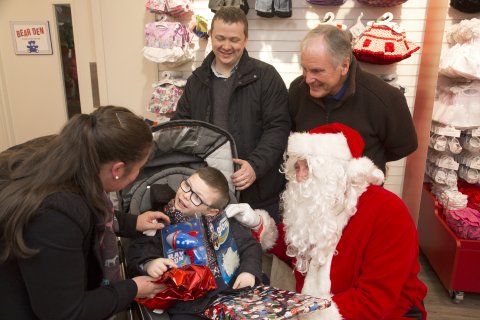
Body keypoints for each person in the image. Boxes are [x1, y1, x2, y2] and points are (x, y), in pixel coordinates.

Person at [226, 123, 428, 319]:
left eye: (308, 167)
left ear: (336, 170)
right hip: (318, 307)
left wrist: (311, 315)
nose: (299, 176)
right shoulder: (321, 205)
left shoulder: (388, 211)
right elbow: (296, 253)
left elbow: (374, 300)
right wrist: (258, 224)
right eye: (297, 167)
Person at [0, 106, 172, 320]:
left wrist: (133, 222)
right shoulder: (55, 216)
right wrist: (133, 288)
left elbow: (98, 215)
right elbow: (65, 313)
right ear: (117, 170)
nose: (138, 174)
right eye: (140, 167)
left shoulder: (73, 156)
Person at [172, 6, 291, 223]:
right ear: (211, 36)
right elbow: (180, 128)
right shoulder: (196, 80)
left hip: (259, 193)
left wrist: (255, 166)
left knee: (257, 252)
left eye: (234, 40)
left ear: (246, 40)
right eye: (220, 38)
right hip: (206, 196)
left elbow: (279, 127)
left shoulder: (266, 77)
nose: (226, 46)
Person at [127, 166, 263, 319]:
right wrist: (148, 264)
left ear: (212, 211)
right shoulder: (158, 222)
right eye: (187, 186)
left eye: (197, 198)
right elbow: (137, 252)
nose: (186, 195)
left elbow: (250, 247)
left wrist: (249, 272)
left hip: (231, 293)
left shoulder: (224, 222)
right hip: (188, 305)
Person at [288, 24, 418, 173]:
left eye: (317, 71)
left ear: (344, 65)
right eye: (304, 69)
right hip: (310, 191)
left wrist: (369, 162)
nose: (308, 78)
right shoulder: (297, 90)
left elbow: (404, 146)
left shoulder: (385, 99)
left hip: (361, 192)